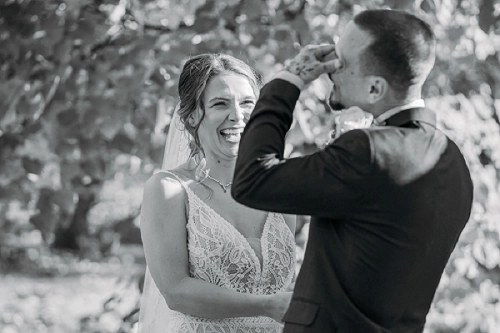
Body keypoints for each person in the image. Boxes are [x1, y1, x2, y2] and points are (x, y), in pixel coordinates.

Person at [232, 9, 473, 333]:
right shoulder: (455, 163)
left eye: (341, 63)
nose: (330, 69)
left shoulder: (368, 151)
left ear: (374, 89)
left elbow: (252, 179)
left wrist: (290, 79)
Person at [137, 53, 296, 333]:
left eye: (247, 103)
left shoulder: (280, 188)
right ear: (193, 115)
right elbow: (176, 291)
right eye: (220, 103)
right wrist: (265, 306)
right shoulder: (169, 190)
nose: (237, 115)